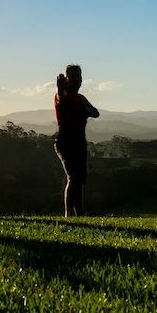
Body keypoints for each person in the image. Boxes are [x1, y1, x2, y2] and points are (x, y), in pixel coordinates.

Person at [53, 64, 100, 217]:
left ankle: (79, 214)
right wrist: (60, 88)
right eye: (71, 77)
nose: (75, 80)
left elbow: (96, 113)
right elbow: (61, 97)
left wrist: (84, 110)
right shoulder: (62, 94)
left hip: (79, 142)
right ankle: (68, 215)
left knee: (79, 180)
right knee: (73, 178)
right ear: (66, 79)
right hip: (65, 141)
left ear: (81, 80)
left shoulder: (81, 98)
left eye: (77, 77)